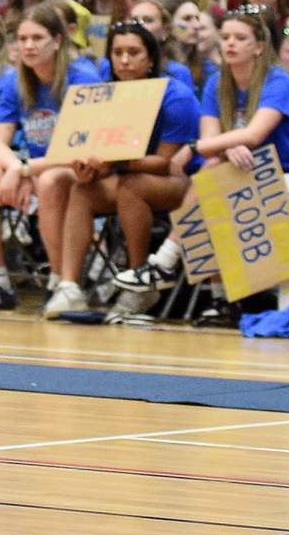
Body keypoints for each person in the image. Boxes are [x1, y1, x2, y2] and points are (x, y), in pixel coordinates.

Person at [113, 5, 289, 322]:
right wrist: (225, 148)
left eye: (240, 38)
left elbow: (253, 134)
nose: (230, 43)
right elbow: (215, 144)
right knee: (213, 176)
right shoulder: (215, 84)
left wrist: (199, 147)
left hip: (288, 177)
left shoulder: (278, 81)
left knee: (212, 177)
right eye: (225, 37)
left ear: (259, 46)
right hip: (238, 170)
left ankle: (166, 264)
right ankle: (219, 298)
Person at [0, 4, 101, 311]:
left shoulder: (83, 77)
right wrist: (14, 168)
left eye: (37, 38)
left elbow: (78, 149)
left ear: (58, 41)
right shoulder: (13, 80)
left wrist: (22, 169)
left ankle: (64, 283)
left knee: (49, 180)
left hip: (76, 170)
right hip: (30, 168)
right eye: (22, 39)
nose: (29, 46)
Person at [52, 21, 200, 317]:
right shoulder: (104, 95)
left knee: (131, 187)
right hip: (125, 177)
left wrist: (112, 163)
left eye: (133, 52)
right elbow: (100, 157)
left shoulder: (176, 95)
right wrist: (90, 169)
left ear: (150, 59)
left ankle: (141, 283)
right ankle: (69, 287)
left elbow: (165, 164)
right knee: (83, 189)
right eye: (117, 53)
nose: (124, 60)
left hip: (181, 184)